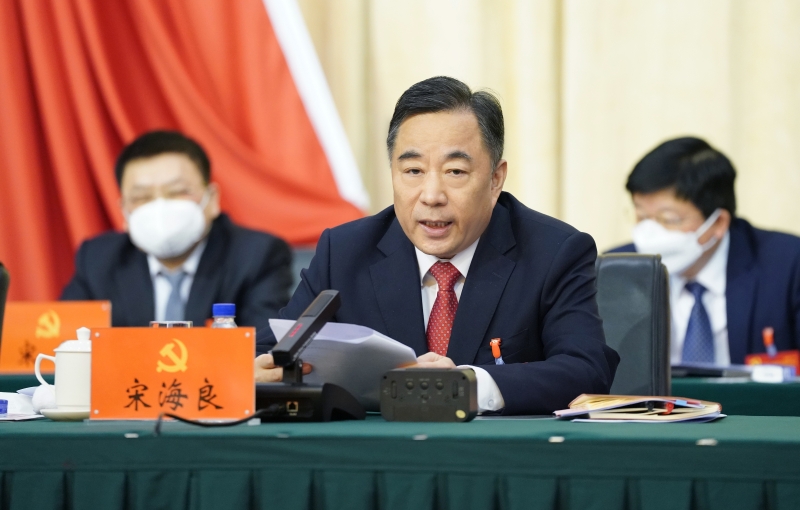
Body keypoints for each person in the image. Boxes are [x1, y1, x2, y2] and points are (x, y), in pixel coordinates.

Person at [254, 76, 619, 415]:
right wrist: (259, 371)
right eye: (413, 171)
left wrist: (468, 384)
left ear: (495, 179)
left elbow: (586, 369)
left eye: (455, 172)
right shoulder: (345, 251)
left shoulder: (554, 252)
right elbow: (271, 351)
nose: (431, 195)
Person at [62, 130, 293, 328]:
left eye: (177, 192)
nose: (160, 207)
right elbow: (65, 341)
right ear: (124, 211)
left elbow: (263, 347)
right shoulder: (97, 260)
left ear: (212, 200)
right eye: (142, 197)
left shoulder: (256, 256)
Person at [609, 137, 800, 365]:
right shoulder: (615, 271)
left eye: (668, 219)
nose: (650, 232)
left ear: (718, 223)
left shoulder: (788, 265)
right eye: (641, 216)